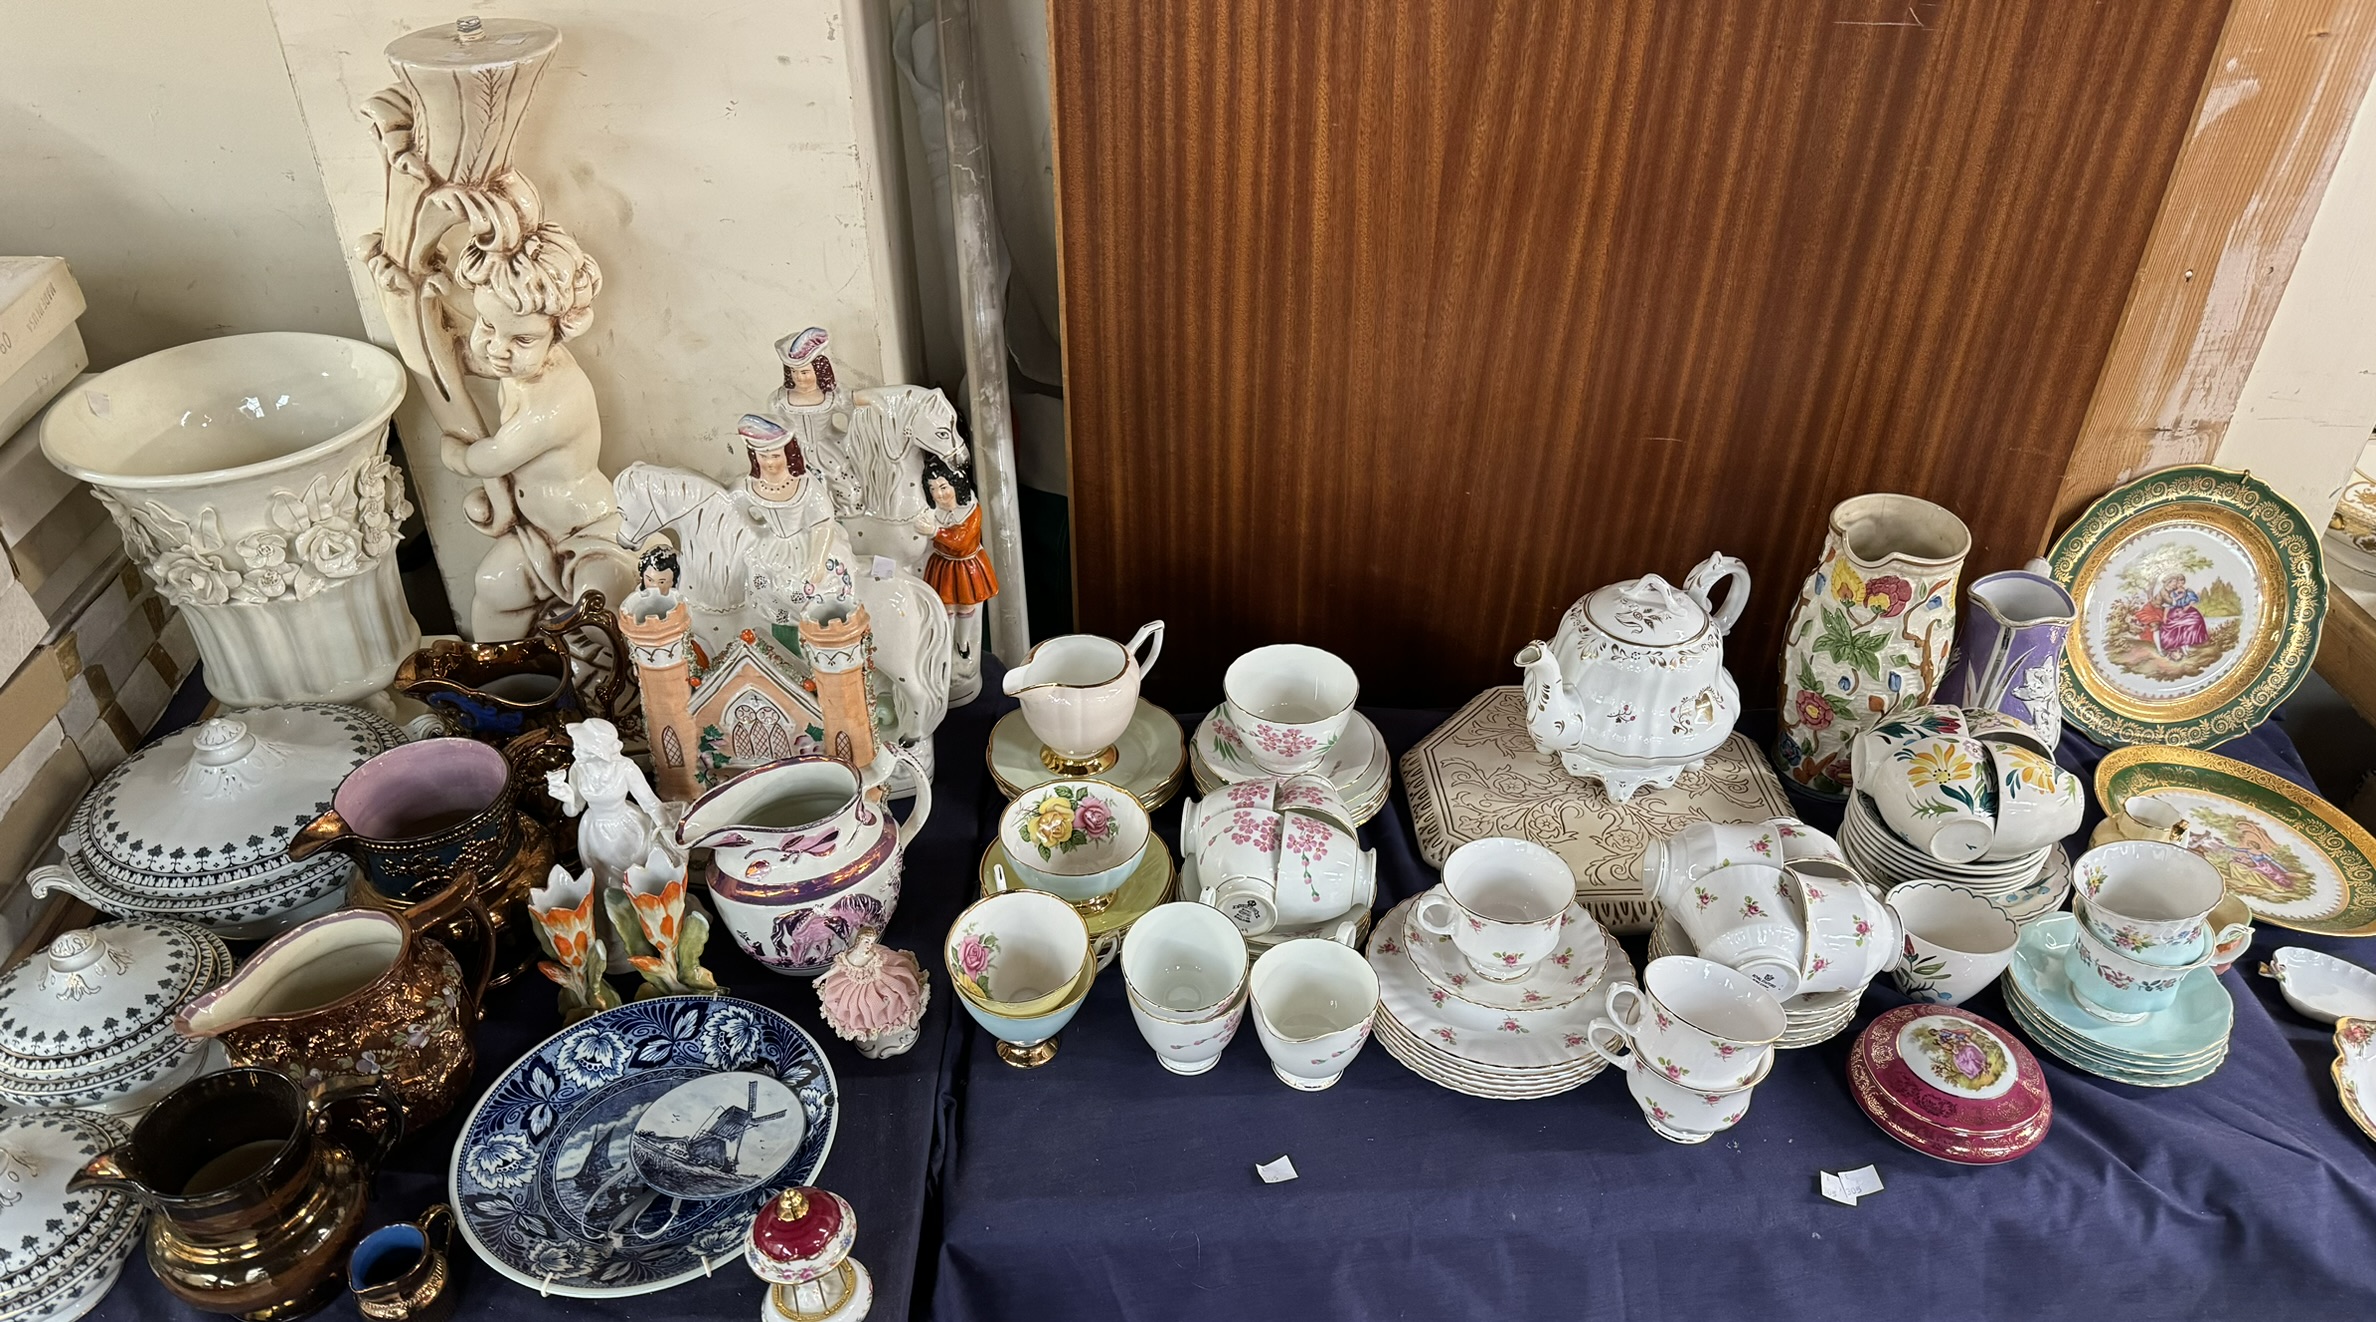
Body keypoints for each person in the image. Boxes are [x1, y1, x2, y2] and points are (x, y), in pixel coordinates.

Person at [445, 223, 635, 639]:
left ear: (558, 332)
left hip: (587, 531)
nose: (497, 348)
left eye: (522, 339)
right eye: (487, 325)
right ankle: (500, 677)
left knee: (600, 608)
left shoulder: (557, 400)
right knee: (494, 586)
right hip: (537, 535)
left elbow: (494, 456)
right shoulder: (517, 364)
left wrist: (454, 452)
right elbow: (478, 357)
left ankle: (622, 686)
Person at [914, 453, 996, 703]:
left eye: (943, 487)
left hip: (967, 566)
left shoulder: (971, 509)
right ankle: (946, 648)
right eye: (933, 488)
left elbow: (962, 542)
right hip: (943, 567)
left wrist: (936, 531)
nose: (939, 494)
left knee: (967, 608)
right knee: (945, 608)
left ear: (955, 485)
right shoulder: (932, 512)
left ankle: (962, 644)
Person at [2153, 573, 2209, 657]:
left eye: (2182, 583)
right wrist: (2165, 616)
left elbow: (2193, 599)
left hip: (2186, 610)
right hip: (2175, 612)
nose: (2180, 585)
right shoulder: (2172, 593)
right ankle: (2181, 647)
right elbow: (2168, 605)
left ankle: (2186, 646)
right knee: (2176, 625)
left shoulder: (2188, 590)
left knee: (2195, 621)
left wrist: (2188, 606)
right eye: (2178, 583)